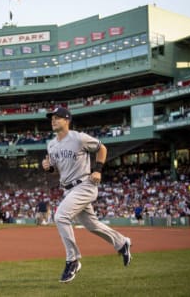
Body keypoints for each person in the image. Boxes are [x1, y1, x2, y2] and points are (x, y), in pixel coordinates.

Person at [42, 107, 132, 283]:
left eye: (57, 117)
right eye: (51, 118)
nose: (53, 120)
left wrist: (98, 170)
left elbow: (102, 148)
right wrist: (49, 167)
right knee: (92, 225)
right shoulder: (51, 144)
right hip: (68, 189)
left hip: (85, 185)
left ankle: (73, 260)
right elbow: (55, 169)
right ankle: (122, 243)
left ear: (67, 120)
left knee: (60, 216)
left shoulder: (78, 138)